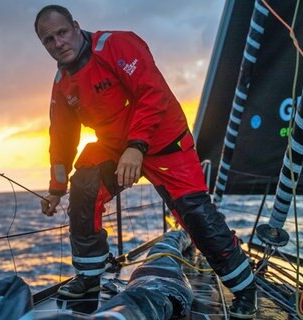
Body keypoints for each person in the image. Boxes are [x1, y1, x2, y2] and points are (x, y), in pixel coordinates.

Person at [35, 5, 257, 318]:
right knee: (83, 187)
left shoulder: (117, 45)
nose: (58, 43)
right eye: (48, 40)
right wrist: (56, 189)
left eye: (62, 33)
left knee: (196, 215)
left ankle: (246, 287)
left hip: (165, 142)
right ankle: (89, 275)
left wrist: (136, 146)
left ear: (75, 25)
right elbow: (61, 140)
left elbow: (152, 93)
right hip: (115, 149)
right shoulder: (62, 86)